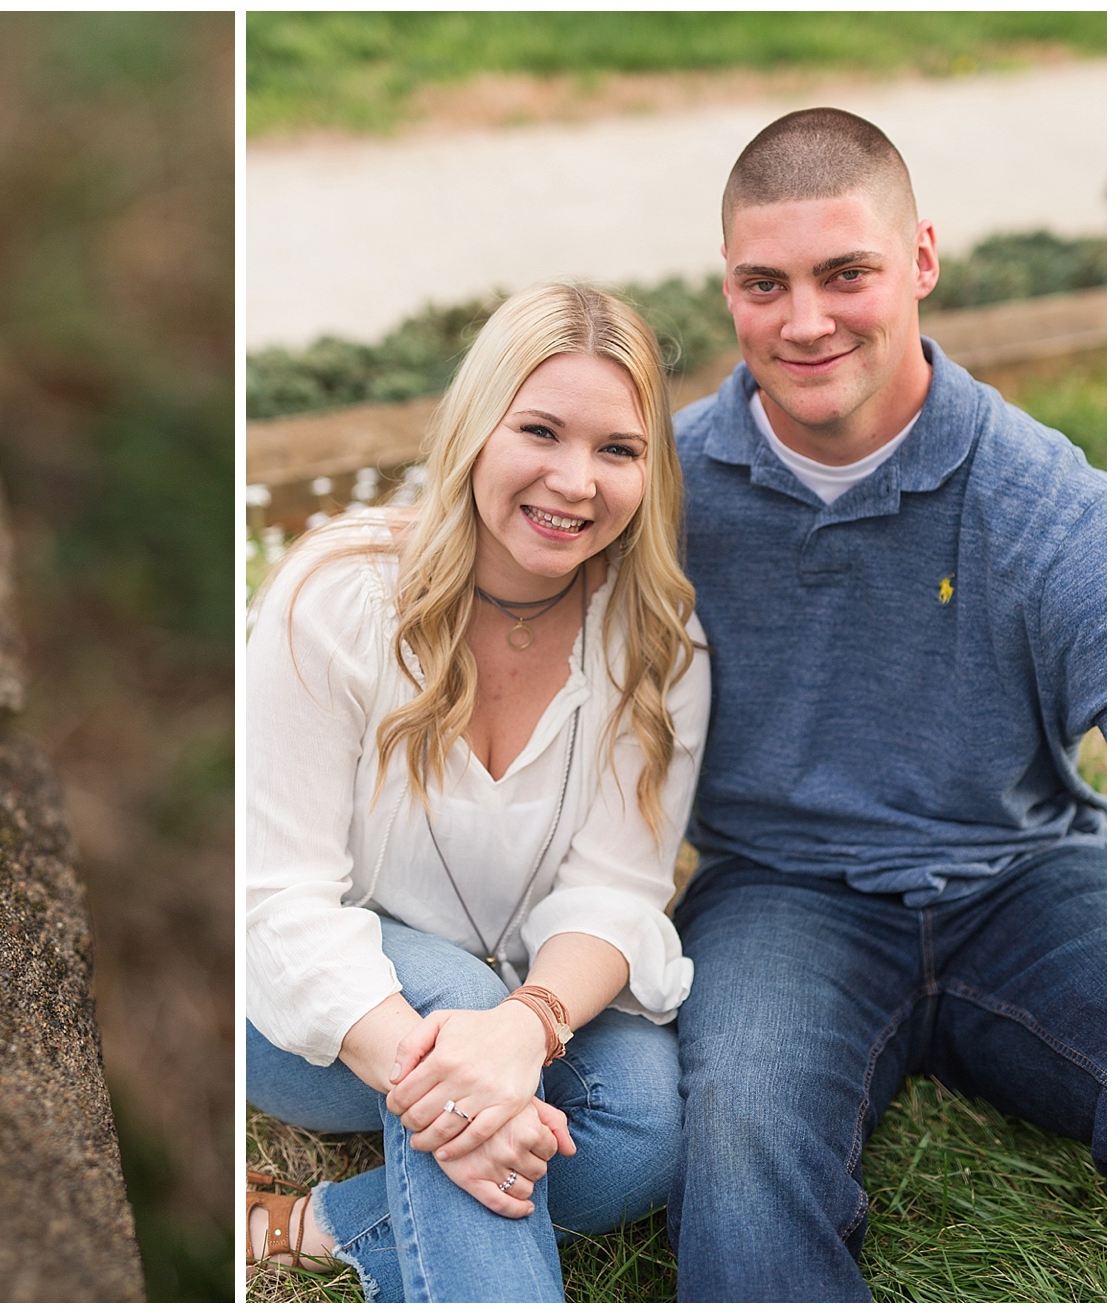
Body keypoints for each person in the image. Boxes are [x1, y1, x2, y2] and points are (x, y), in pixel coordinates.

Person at [668, 107, 1106, 1301]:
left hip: (1026, 876)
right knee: (741, 1135)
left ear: (920, 261)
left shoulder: (1039, 494)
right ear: (731, 291)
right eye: (767, 284)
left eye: (845, 273)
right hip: (778, 897)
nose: (805, 322)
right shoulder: (659, 488)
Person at [245, 283, 710, 1302]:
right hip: (316, 1014)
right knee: (452, 996)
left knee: (642, 1130)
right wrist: (454, 1064)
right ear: (474, 430)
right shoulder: (336, 599)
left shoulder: (659, 644)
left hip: (527, 1005)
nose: (575, 481)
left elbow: (617, 891)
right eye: (539, 431)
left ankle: (319, 1225)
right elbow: (276, 903)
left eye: (618, 450)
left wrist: (524, 1028)